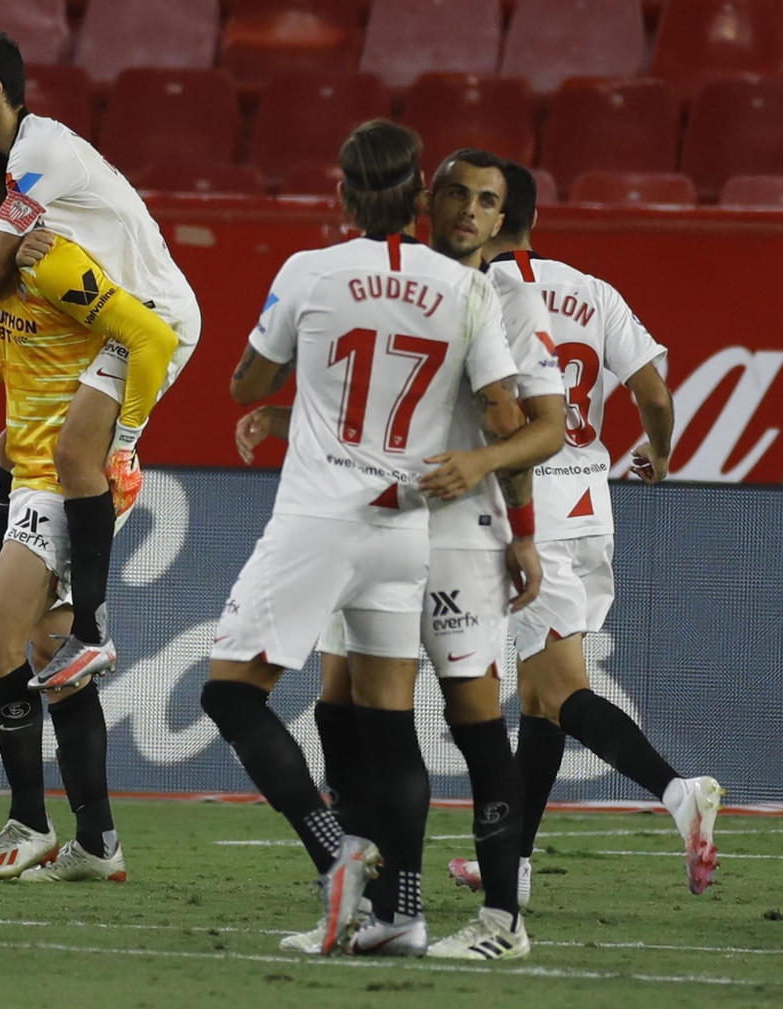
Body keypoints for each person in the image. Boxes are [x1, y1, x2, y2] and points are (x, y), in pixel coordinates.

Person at [200, 120, 525, 956]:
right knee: (389, 726)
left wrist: (299, 380)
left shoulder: (310, 271)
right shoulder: (463, 289)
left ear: (341, 193)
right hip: (405, 522)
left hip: (321, 512)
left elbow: (247, 381)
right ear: (420, 194)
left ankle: (333, 849)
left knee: (230, 692)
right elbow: (501, 415)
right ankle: (401, 916)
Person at [0, 139, 178, 880]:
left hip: (63, 480)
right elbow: (7, 351)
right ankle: (98, 842)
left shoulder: (51, 259)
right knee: (53, 662)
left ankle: (28, 821)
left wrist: (126, 441)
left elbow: (153, 338)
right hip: (32, 476)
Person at [445, 160, 723, 903]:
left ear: (498, 216)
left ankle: (676, 790)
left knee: (559, 690)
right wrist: (658, 452)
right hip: (591, 506)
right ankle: (514, 864)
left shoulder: (483, 289)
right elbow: (655, 393)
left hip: (527, 507)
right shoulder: (594, 291)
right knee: (539, 699)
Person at [0, 30, 201, 688]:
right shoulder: (19, 161)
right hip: (111, 318)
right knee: (10, 444)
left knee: (78, 456)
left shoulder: (41, 149)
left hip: (154, 318)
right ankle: (0, 607)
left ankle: (89, 631)